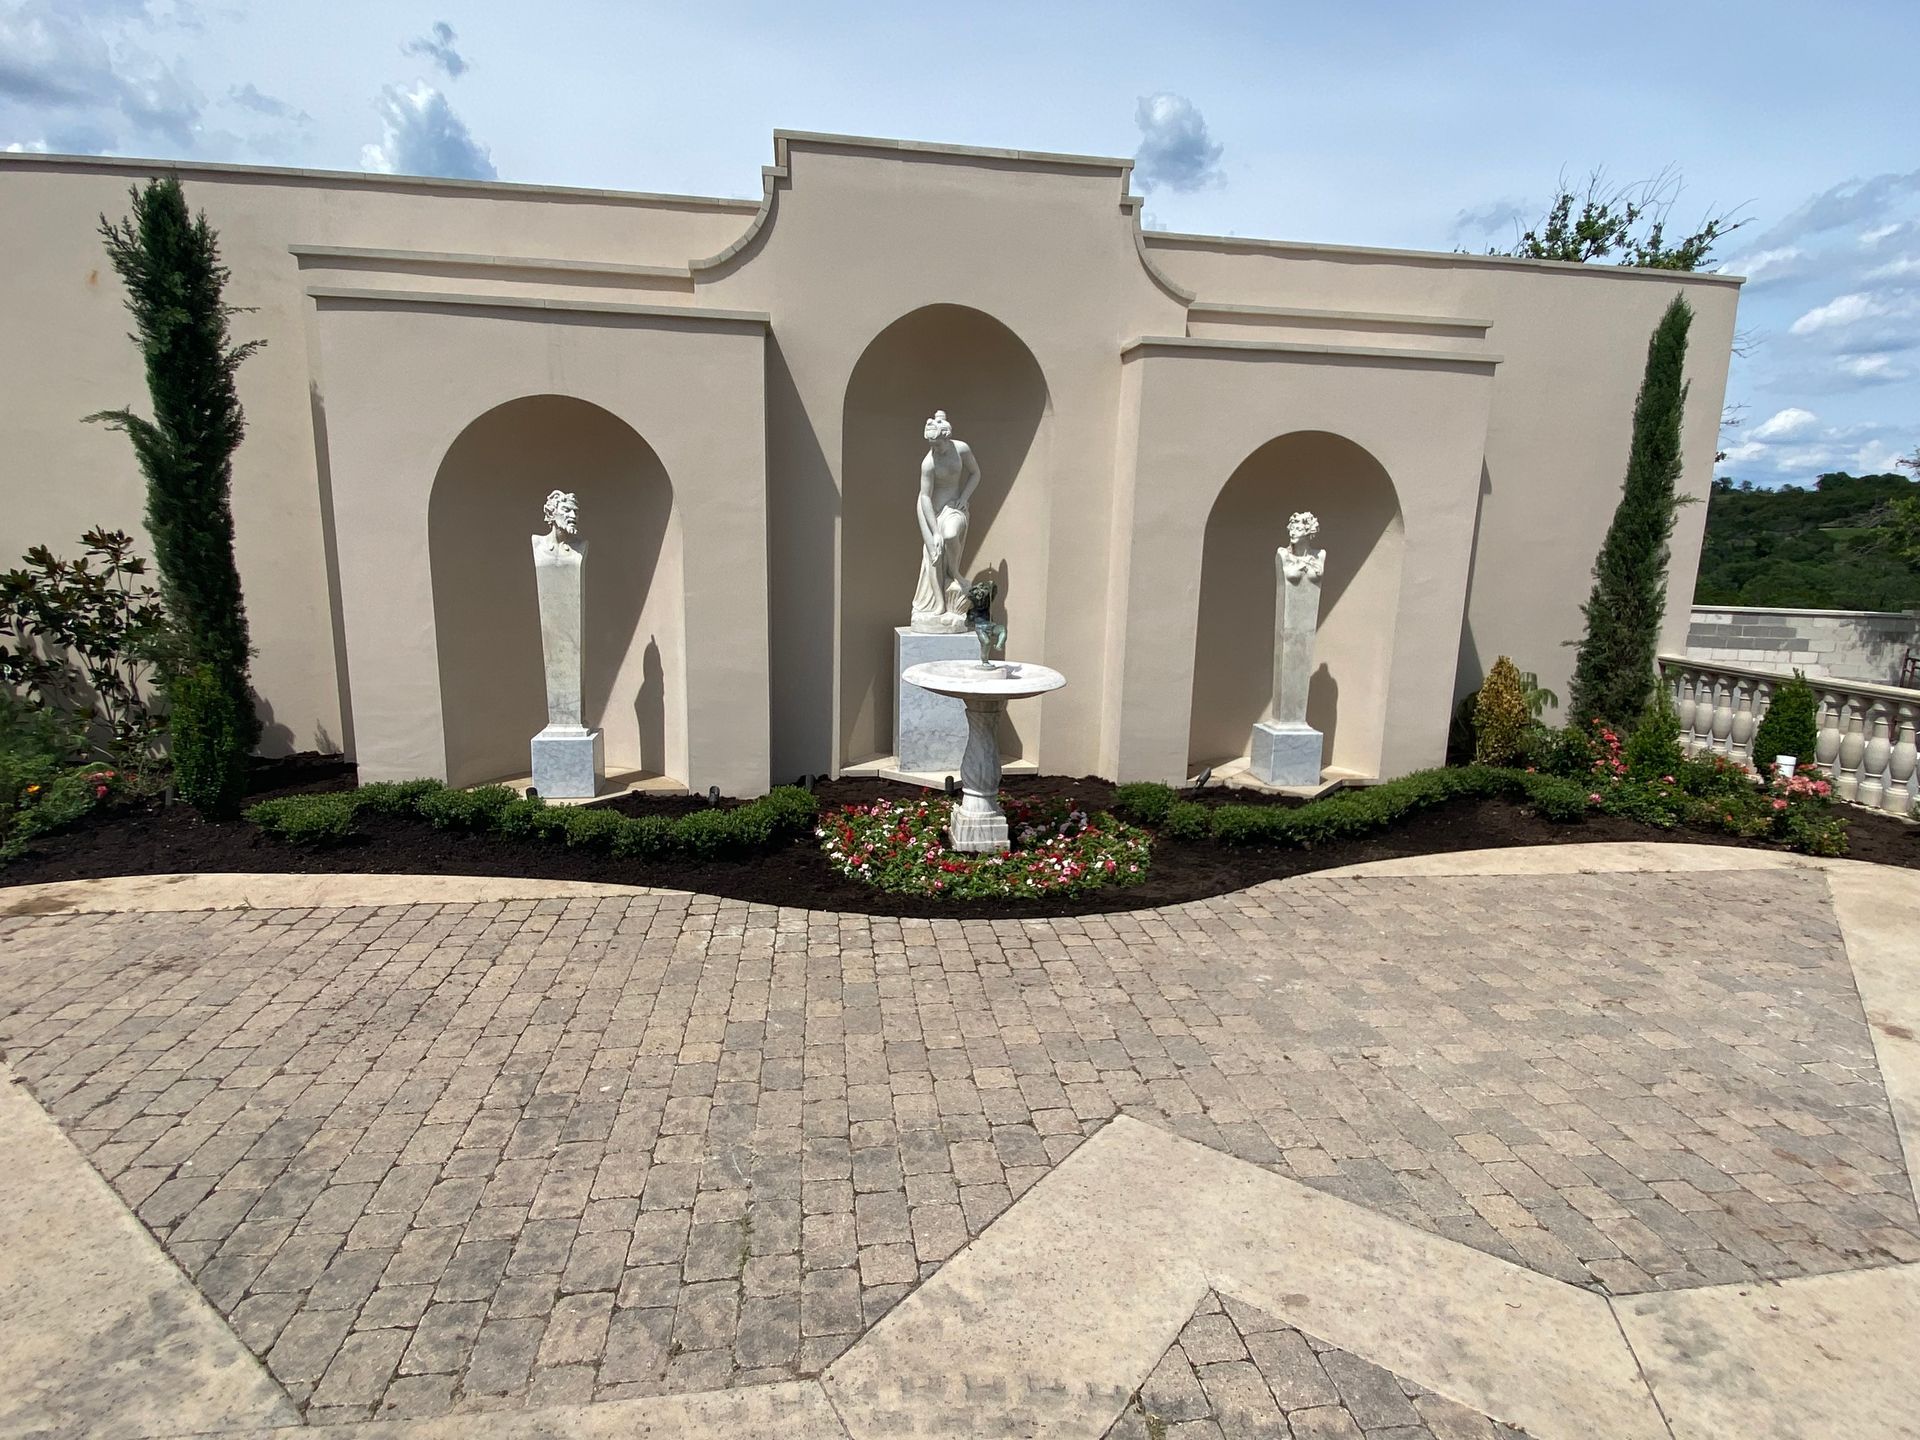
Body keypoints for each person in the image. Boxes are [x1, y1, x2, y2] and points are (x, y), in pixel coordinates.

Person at [910, 411, 981, 633]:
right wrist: (934, 531)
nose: (935, 449)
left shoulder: (961, 449)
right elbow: (924, 497)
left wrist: (963, 498)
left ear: (947, 438)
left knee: (951, 534)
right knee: (934, 554)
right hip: (929, 510)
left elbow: (976, 473)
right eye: (931, 445)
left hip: (953, 507)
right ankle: (940, 603)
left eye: (938, 444)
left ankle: (955, 573)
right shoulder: (928, 463)